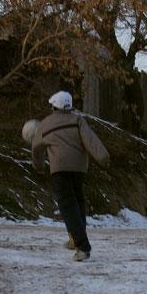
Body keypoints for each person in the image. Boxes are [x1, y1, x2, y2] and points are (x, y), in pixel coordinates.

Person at [32, 91, 110, 261]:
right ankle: (74, 238)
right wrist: (103, 157)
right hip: (79, 169)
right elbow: (91, 140)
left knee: (68, 206)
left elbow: (36, 148)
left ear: (54, 106)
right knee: (78, 203)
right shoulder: (77, 120)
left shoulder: (45, 124)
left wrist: (39, 166)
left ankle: (82, 247)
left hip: (60, 169)